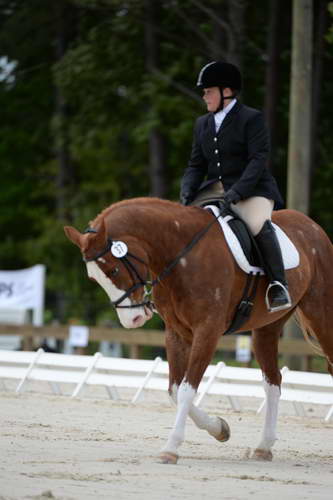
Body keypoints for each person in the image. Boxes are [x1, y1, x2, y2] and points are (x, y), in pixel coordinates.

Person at [180, 60, 292, 313]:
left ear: (226, 91)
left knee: (256, 225)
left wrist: (239, 191)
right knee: (182, 225)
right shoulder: (202, 124)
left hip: (253, 190)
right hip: (214, 190)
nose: (204, 96)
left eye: (208, 90)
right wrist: (187, 191)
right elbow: (196, 165)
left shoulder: (251, 118)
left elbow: (258, 159)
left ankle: (278, 284)